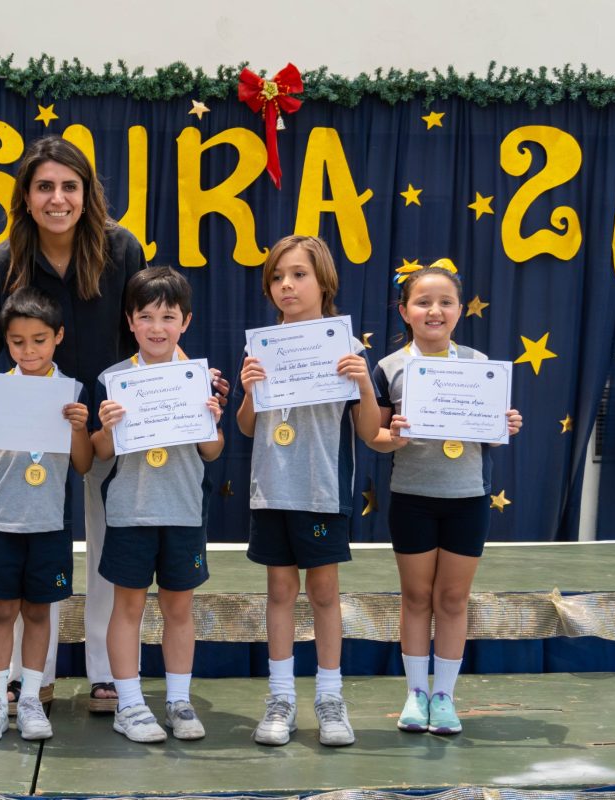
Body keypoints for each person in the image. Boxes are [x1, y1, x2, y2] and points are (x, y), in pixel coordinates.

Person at [0, 135, 146, 713]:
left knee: (108, 545)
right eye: (44, 186)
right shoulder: (5, 260)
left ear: (87, 192)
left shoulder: (121, 248)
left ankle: (104, 672)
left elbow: (149, 327)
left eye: (69, 186)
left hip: (103, 419)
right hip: (27, 430)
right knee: (30, 546)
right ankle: (30, 678)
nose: (57, 198)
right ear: (25, 196)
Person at [235, 235, 381, 748]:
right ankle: (280, 698)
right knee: (279, 591)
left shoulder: (348, 347)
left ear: (324, 281)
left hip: (322, 489)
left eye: (298, 274)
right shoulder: (262, 345)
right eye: (277, 277)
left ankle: (330, 697)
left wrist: (362, 382)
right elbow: (248, 426)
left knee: (323, 593)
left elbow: (369, 430)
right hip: (272, 488)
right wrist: (250, 389)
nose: (286, 285)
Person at [368, 259, 522, 735]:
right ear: (405, 310)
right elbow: (374, 436)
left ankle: (445, 697)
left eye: (445, 302)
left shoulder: (480, 367)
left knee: (453, 599)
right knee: (415, 597)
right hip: (412, 497)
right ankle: (415, 695)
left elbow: (489, 437)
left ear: (458, 311)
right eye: (423, 302)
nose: (435, 310)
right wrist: (392, 435)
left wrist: (504, 427)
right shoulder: (388, 367)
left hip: (466, 499)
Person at [0, 287, 94, 742]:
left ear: (58, 337)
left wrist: (78, 428)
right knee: (0, 613)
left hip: (49, 525)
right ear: (6, 342)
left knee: (38, 614)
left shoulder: (70, 393)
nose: (28, 350)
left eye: (38, 340)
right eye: (17, 342)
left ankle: (31, 697)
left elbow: (84, 463)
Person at [91, 266, 224, 743]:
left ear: (185, 322)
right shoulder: (114, 379)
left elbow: (212, 452)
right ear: (130, 321)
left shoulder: (197, 378)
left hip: (184, 511)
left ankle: (179, 701)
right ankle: (129, 705)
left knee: (179, 610)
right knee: (127, 609)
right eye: (145, 316)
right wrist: (106, 427)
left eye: (167, 317)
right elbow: (99, 455)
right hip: (131, 511)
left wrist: (212, 419)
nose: (156, 327)